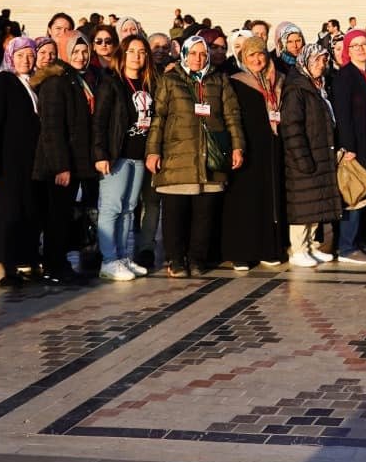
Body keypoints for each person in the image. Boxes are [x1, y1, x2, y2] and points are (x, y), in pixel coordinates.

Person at [147, 33, 243, 277]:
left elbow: (231, 116)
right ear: (184, 55)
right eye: (193, 54)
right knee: (175, 212)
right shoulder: (170, 80)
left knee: (204, 213)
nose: (198, 59)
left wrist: (237, 146)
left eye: (203, 54)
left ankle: (197, 258)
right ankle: (175, 259)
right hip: (177, 155)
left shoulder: (219, 80)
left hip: (210, 156)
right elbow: (158, 117)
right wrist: (153, 151)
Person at [0, 37, 41, 287]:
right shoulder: (1, 81)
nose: (26, 60)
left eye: (30, 55)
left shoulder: (29, 83)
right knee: (1, 215)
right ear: (10, 56)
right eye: (21, 55)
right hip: (4, 164)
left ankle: (11, 264)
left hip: (23, 163)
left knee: (16, 214)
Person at [32, 32, 96, 285]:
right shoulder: (56, 82)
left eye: (84, 51)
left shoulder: (76, 79)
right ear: (64, 53)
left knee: (64, 215)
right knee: (56, 217)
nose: (81, 57)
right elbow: (52, 128)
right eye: (75, 52)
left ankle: (59, 262)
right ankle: (54, 265)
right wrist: (61, 166)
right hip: (58, 166)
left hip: (74, 161)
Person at [224, 35, 289, 270]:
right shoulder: (235, 82)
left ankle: (268, 248)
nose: (257, 59)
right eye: (251, 55)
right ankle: (242, 251)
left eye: (261, 53)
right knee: (245, 200)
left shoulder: (278, 81)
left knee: (268, 199)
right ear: (243, 58)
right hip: (246, 147)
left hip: (272, 148)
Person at [93, 34, 155, 280]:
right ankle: (108, 260)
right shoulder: (111, 82)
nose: (137, 56)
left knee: (129, 208)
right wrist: (100, 153)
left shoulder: (147, 83)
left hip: (138, 155)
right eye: (132, 51)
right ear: (122, 54)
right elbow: (99, 121)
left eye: (142, 52)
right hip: (116, 155)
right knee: (111, 207)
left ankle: (121, 256)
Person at [280, 42, 342, 267]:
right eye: (316, 60)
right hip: (304, 157)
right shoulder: (296, 89)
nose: (320, 64)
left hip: (321, 152)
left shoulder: (319, 85)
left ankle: (310, 246)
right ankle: (297, 249)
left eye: (323, 60)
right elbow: (292, 127)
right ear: (305, 61)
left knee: (315, 204)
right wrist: (302, 158)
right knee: (302, 205)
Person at [332, 29, 366, 264]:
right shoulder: (346, 76)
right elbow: (342, 114)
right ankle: (347, 246)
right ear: (347, 50)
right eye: (354, 45)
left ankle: (363, 240)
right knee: (355, 195)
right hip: (356, 144)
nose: (360, 48)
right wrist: (347, 146)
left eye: (364, 44)